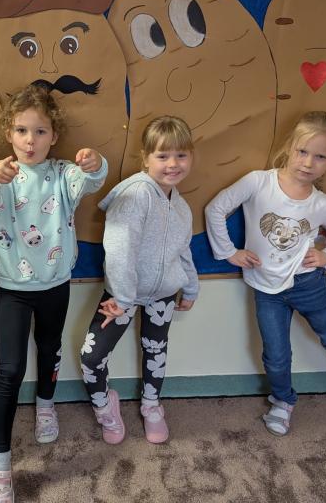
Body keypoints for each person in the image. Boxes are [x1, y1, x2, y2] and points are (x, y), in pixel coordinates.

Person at [0, 85, 107, 503]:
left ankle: (45, 405)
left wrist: (96, 163)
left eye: (40, 131)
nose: (30, 140)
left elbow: (91, 180)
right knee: (9, 370)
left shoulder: (61, 174)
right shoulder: (1, 173)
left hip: (55, 284)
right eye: (22, 131)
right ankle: (0, 464)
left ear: (53, 135)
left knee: (49, 349)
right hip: (12, 287)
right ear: (9, 133)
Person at [205, 110, 326, 436]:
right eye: (302, 151)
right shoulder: (258, 182)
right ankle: (282, 401)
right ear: (289, 147)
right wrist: (229, 252)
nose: (307, 162)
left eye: (320, 157)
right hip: (267, 289)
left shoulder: (323, 203)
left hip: (309, 285)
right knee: (276, 354)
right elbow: (215, 209)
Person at [80, 116, 199, 445]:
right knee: (92, 358)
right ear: (146, 158)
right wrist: (122, 298)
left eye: (181, 155)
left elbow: (183, 250)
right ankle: (105, 407)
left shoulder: (181, 207)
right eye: (162, 155)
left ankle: (151, 405)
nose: (173, 164)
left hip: (163, 294)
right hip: (123, 296)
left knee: (156, 350)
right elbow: (120, 249)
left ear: (191, 157)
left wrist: (190, 286)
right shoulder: (135, 195)